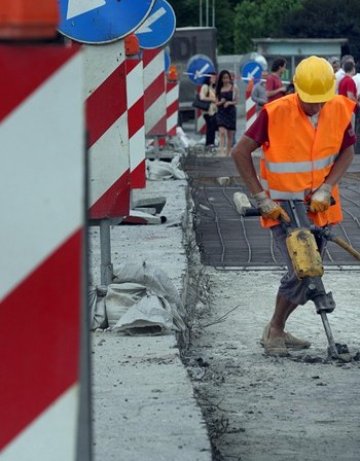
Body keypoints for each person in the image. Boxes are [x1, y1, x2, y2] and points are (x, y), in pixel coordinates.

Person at [231, 56, 356, 356]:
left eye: (320, 101)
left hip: (321, 207)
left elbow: (347, 152)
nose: (315, 107)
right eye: (309, 101)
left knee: (309, 272)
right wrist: (261, 197)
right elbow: (240, 152)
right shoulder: (274, 113)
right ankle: (275, 330)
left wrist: (327, 186)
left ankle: (276, 328)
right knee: (302, 270)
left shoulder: (338, 108)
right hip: (284, 208)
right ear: (296, 89)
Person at [215, 69, 239, 156]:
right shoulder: (218, 89)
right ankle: (221, 151)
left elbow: (236, 101)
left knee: (230, 134)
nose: (226, 80)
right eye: (224, 78)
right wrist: (221, 102)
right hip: (221, 112)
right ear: (221, 79)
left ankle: (228, 153)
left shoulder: (234, 88)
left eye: (227, 78)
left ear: (229, 78)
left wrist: (229, 102)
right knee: (221, 132)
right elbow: (216, 103)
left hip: (231, 112)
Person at [199, 72, 218, 151]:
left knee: (212, 127)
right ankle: (209, 143)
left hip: (213, 110)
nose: (214, 79)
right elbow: (202, 97)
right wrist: (213, 99)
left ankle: (211, 142)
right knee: (210, 127)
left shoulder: (212, 87)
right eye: (213, 78)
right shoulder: (205, 87)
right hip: (207, 111)